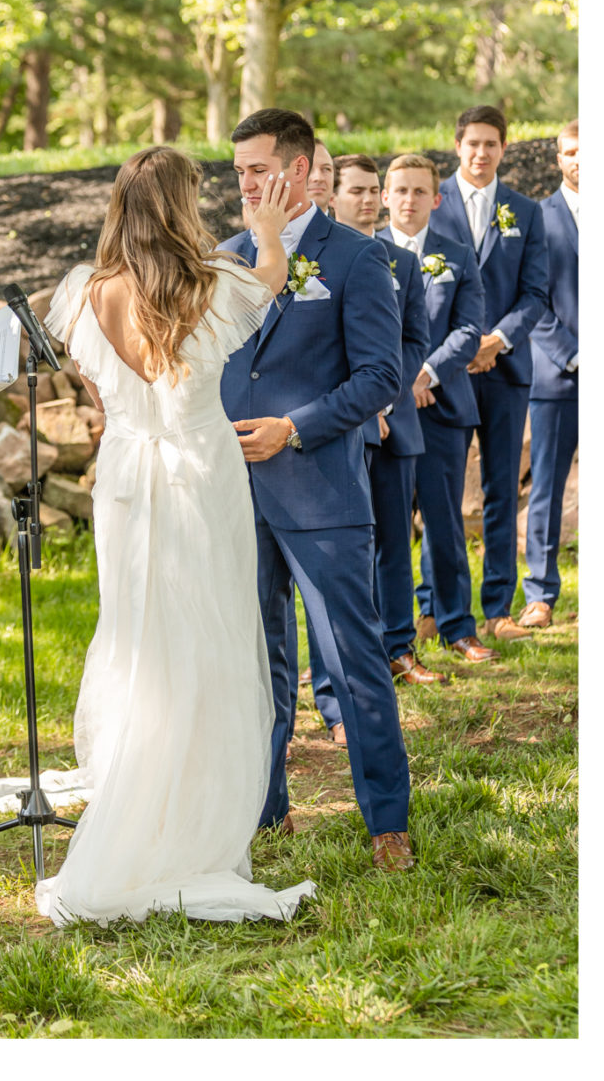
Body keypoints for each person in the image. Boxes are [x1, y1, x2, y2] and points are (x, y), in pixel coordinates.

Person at [34, 146, 314, 926]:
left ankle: (139, 801)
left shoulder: (86, 294)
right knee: (211, 636)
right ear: (181, 208)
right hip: (199, 470)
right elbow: (269, 285)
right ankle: (195, 821)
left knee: (137, 636)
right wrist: (267, 232)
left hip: (126, 477)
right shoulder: (214, 284)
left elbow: (101, 392)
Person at [218, 109, 413, 872]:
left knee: (353, 654)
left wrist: (293, 429)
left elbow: (379, 378)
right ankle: (268, 812)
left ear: (298, 172)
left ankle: (386, 823)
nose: (246, 184)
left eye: (258, 170)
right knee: (254, 659)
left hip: (322, 493)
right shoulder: (227, 259)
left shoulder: (359, 259)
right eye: (238, 172)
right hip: (235, 495)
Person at [306, 153, 446, 749]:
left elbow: (415, 337)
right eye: (355, 191)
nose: (366, 200)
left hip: (396, 423)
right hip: (344, 427)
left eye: (372, 191)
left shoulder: (403, 262)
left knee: (396, 542)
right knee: (342, 560)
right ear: (333, 197)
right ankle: (333, 690)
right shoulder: (317, 262)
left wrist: (386, 398)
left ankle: (399, 649)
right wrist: (360, 407)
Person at [420, 106, 549, 650]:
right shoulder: (429, 203)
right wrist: (459, 350)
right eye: (473, 142)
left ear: (503, 148)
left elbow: (536, 292)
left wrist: (496, 340)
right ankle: (433, 607)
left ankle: (496, 605)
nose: (481, 152)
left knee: (501, 488)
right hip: (445, 372)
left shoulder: (524, 211)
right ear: (457, 145)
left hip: (504, 368)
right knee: (440, 495)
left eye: (491, 144)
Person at [380, 156, 487, 672]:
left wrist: (426, 373)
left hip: (442, 407)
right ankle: (393, 639)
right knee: (389, 529)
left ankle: (456, 627)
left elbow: (470, 329)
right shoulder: (365, 253)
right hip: (384, 414)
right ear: (384, 196)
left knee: (445, 523)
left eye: (420, 192)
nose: (409, 200)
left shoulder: (458, 255)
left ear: (436, 199)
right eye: (400, 190)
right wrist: (402, 385)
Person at [520, 121, 579, 629]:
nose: (580, 160)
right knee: (547, 489)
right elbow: (533, 301)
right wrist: (576, 355)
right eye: (571, 152)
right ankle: (540, 594)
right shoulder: (541, 217)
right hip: (559, 378)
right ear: (558, 158)